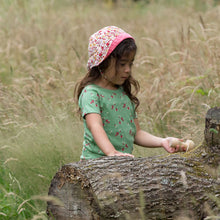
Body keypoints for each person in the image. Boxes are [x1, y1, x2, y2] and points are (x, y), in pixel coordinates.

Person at [74, 26, 185, 160]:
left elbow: (136, 133)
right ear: (103, 62)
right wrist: (112, 152)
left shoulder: (123, 93)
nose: (127, 70)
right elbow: (95, 125)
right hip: (95, 164)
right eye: (122, 64)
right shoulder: (91, 93)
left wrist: (162, 141)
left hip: (121, 163)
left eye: (130, 64)